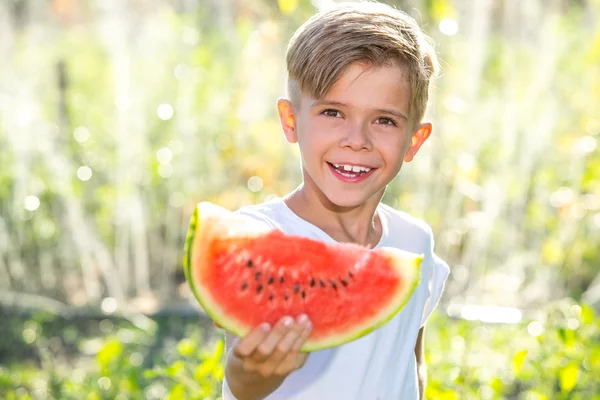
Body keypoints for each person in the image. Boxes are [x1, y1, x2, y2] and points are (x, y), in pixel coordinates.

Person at [221, 2, 450, 399]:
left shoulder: (416, 242)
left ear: (415, 140)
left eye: (384, 120)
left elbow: (410, 362)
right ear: (290, 121)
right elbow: (241, 379)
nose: (356, 140)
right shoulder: (257, 236)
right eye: (333, 112)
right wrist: (253, 372)